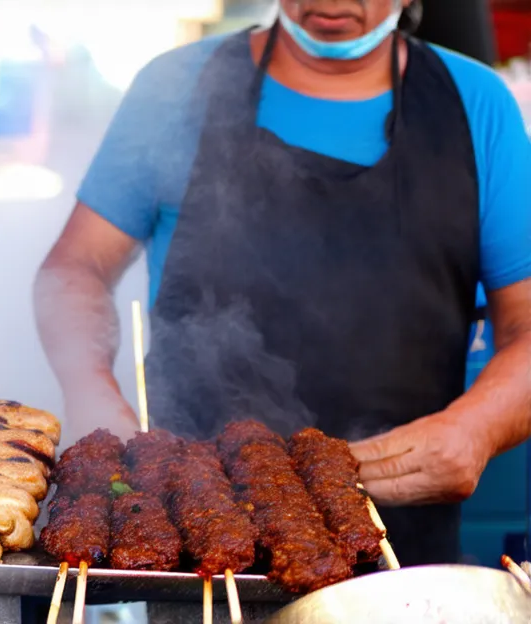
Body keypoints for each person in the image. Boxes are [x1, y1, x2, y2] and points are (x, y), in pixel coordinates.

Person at [33, 0, 531, 566]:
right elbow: (77, 268)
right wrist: (88, 388)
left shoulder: (475, 103)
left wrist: (478, 427)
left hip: (401, 546)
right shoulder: (176, 87)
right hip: (192, 539)